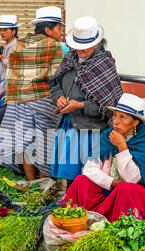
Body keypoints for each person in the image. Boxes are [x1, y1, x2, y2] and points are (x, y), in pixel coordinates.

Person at [58, 93, 145, 223]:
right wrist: (112, 182)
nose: (115, 121)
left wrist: (122, 147)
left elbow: (132, 179)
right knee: (82, 181)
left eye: (122, 117)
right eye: (114, 115)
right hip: (111, 189)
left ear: (135, 122)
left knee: (124, 189)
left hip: (143, 196)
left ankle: (114, 223)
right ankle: (79, 218)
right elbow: (89, 168)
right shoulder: (108, 136)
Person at [0, 6, 66, 180]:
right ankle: (42, 186)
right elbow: (57, 76)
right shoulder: (55, 47)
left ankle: (30, 183)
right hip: (43, 102)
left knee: (26, 143)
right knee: (44, 145)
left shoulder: (22, 44)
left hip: (20, 101)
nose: (61, 32)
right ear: (48, 29)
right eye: (59, 28)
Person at [50, 16, 123, 184]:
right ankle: (72, 205)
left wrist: (80, 105)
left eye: (84, 49)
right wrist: (58, 97)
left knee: (89, 176)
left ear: (95, 44)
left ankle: (85, 207)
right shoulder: (70, 59)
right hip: (68, 124)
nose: (79, 52)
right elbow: (54, 83)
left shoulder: (104, 65)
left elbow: (109, 106)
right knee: (70, 177)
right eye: (77, 48)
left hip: (90, 130)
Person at [0, 15, 21, 94]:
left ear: (13, 31)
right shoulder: (5, 44)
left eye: (5, 30)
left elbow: (13, 64)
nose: (2, 32)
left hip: (10, 84)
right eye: (1, 30)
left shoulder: (15, 46)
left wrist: (0, 58)